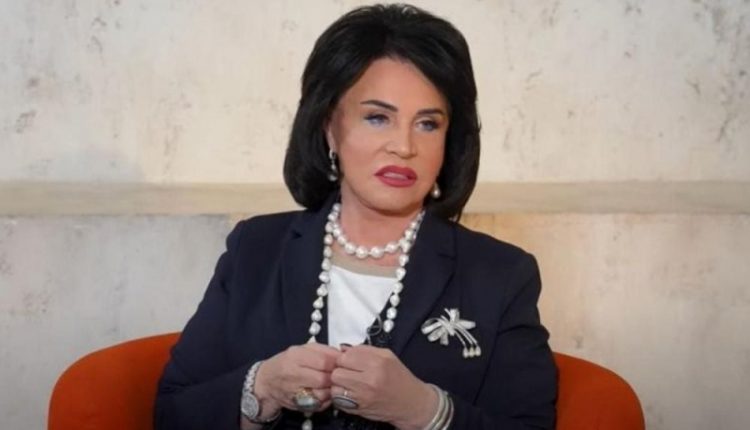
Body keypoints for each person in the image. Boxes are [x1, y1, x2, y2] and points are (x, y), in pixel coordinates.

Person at [155, 4, 557, 429]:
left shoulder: (501, 274)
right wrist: (262, 388)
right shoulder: (254, 249)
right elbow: (172, 414)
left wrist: (426, 411)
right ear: (330, 127)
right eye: (377, 118)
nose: (404, 146)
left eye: (427, 124)